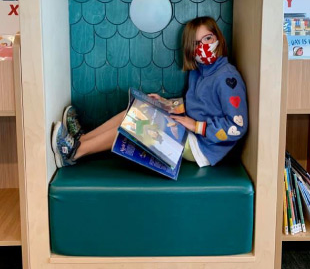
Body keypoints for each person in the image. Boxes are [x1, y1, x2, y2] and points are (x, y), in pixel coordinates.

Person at [52, 16, 248, 168]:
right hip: (190, 133)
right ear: (191, 49)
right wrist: (167, 104)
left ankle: (72, 153)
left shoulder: (227, 78)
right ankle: (81, 140)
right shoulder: (199, 72)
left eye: (208, 38)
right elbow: (198, 103)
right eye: (197, 43)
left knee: (136, 123)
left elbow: (237, 127)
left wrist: (196, 126)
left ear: (218, 38)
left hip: (202, 147)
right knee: (135, 108)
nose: (203, 46)